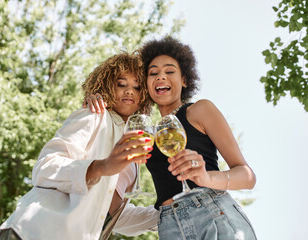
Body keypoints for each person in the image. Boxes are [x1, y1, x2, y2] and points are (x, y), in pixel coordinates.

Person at [86, 36, 257, 240]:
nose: (161, 77)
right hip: (168, 225)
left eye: (169, 71)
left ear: (184, 80)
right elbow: (112, 203)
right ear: (147, 85)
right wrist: (97, 100)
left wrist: (206, 178)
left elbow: (247, 176)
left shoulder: (199, 110)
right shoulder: (148, 132)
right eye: (153, 73)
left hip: (212, 213)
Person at [0, 52, 159, 240]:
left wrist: (170, 214)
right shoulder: (94, 115)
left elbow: (107, 210)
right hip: (36, 231)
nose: (129, 91)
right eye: (121, 84)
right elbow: (45, 168)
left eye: (137, 87)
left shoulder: (131, 145)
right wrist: (102, 167)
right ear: (107, 86)